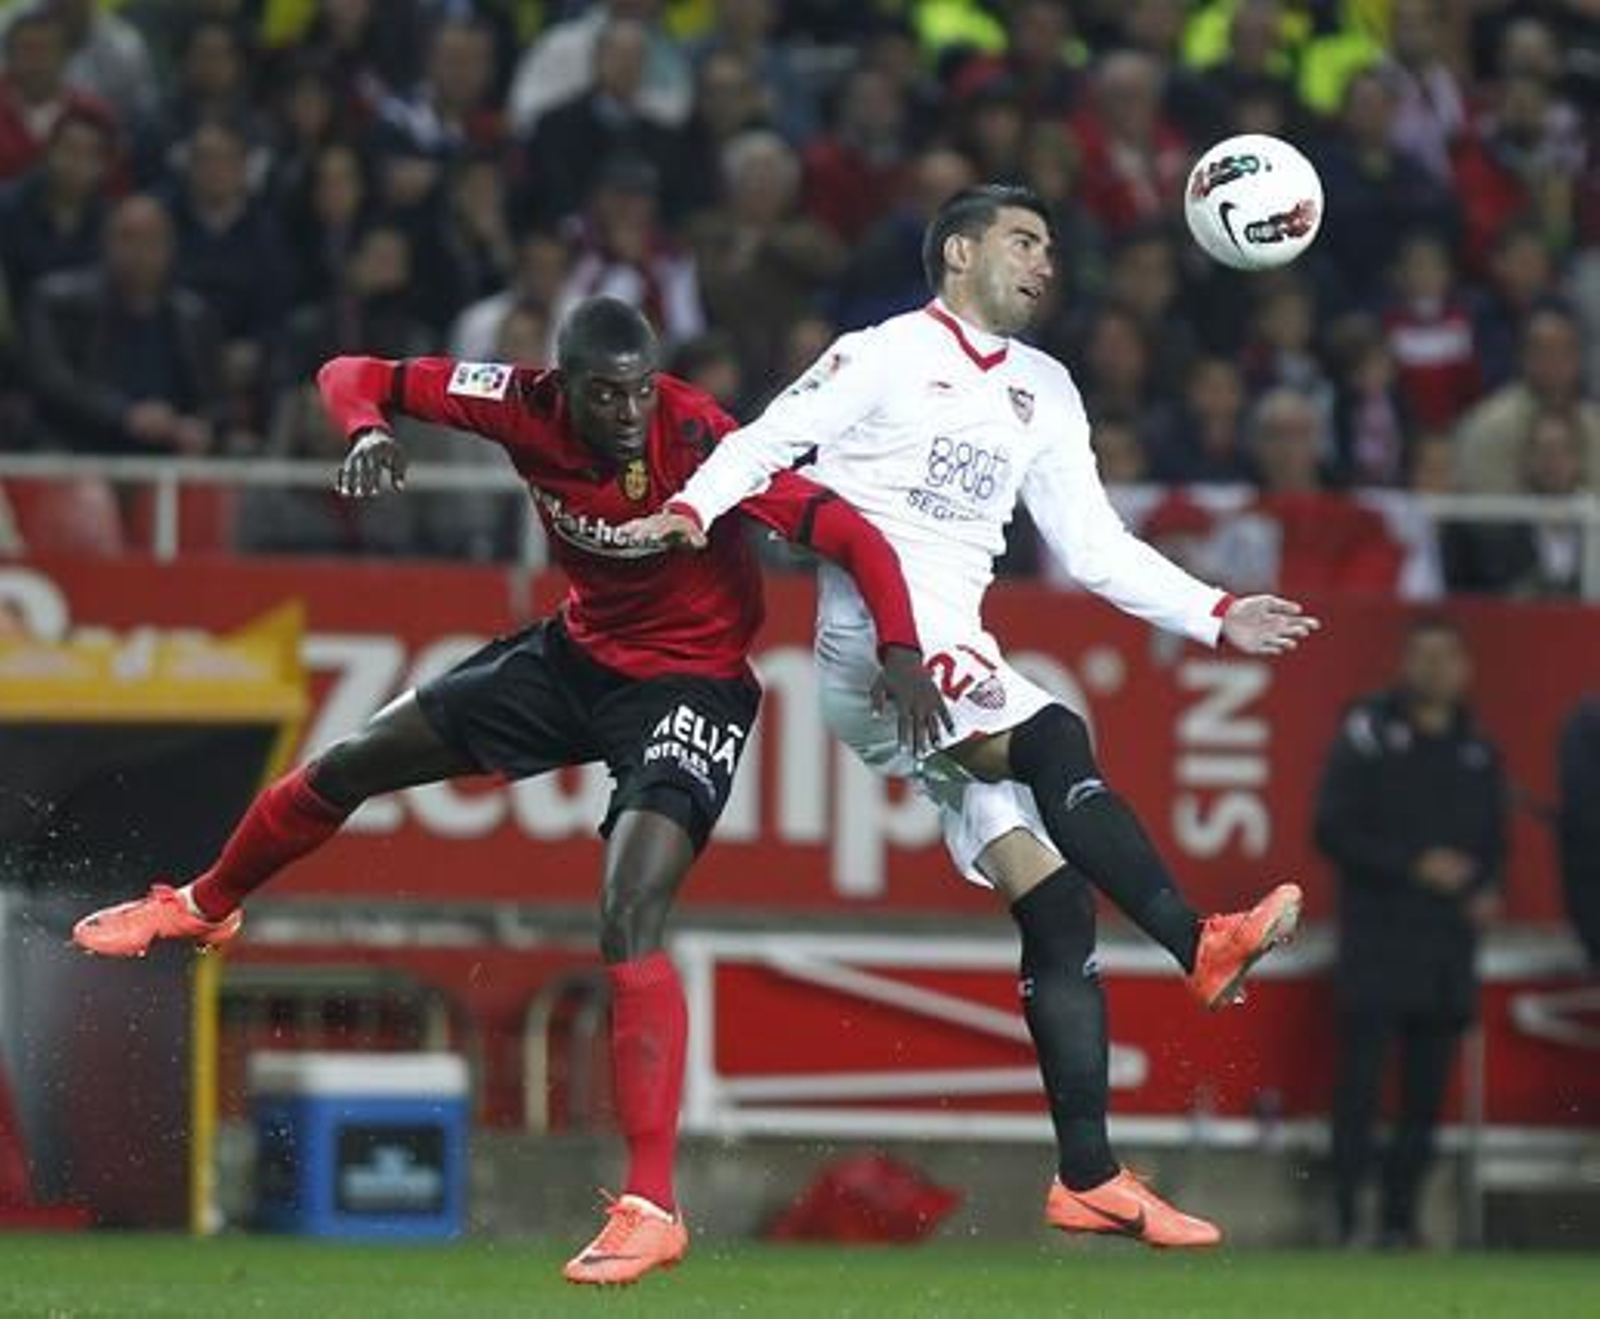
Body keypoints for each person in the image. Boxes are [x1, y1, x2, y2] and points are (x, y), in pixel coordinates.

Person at [71, 296, 947, 1286]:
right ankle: (199, 904)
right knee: (354, 759)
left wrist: (903, 652)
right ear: (560, 383)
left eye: (636, 388)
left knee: (627, 906)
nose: (624, 410)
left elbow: (857, 538)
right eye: (603, 391)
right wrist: (365, 429)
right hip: (573, 655)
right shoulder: (516, 402)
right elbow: (351, 370)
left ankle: (651, 1204)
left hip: (690, 683)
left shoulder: (701, 434)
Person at [622, 185, 1318, 1247]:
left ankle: (1086, 1173)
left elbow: (1091, 546)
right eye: (1022, 240)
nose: (1045, 261)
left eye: (1050, 245)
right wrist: (688, 506)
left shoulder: (1045, 388)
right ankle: (1195, 939)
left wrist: (1215, 611)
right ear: (958, 252)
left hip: (959, 647)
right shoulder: (884, 351)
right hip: (880, 648)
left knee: (1057, 908)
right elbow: (769, 441)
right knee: (1054, 737)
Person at [1314, 617, 1507, 1248]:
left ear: (1465, 669)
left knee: (1426, 1090)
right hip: (1378, 936)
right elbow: (1332, 829)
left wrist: (1482, 888)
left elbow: (1497, 844)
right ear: (1404, 664)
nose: (1435, 669)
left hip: (1448, 943)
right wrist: (1411, 865)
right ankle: (1346, 1215)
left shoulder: (1477, 750)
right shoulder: (1367, 734)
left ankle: (1401, 1219)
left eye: (1447, 656)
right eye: (1424, 656)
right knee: (1361, 1085)